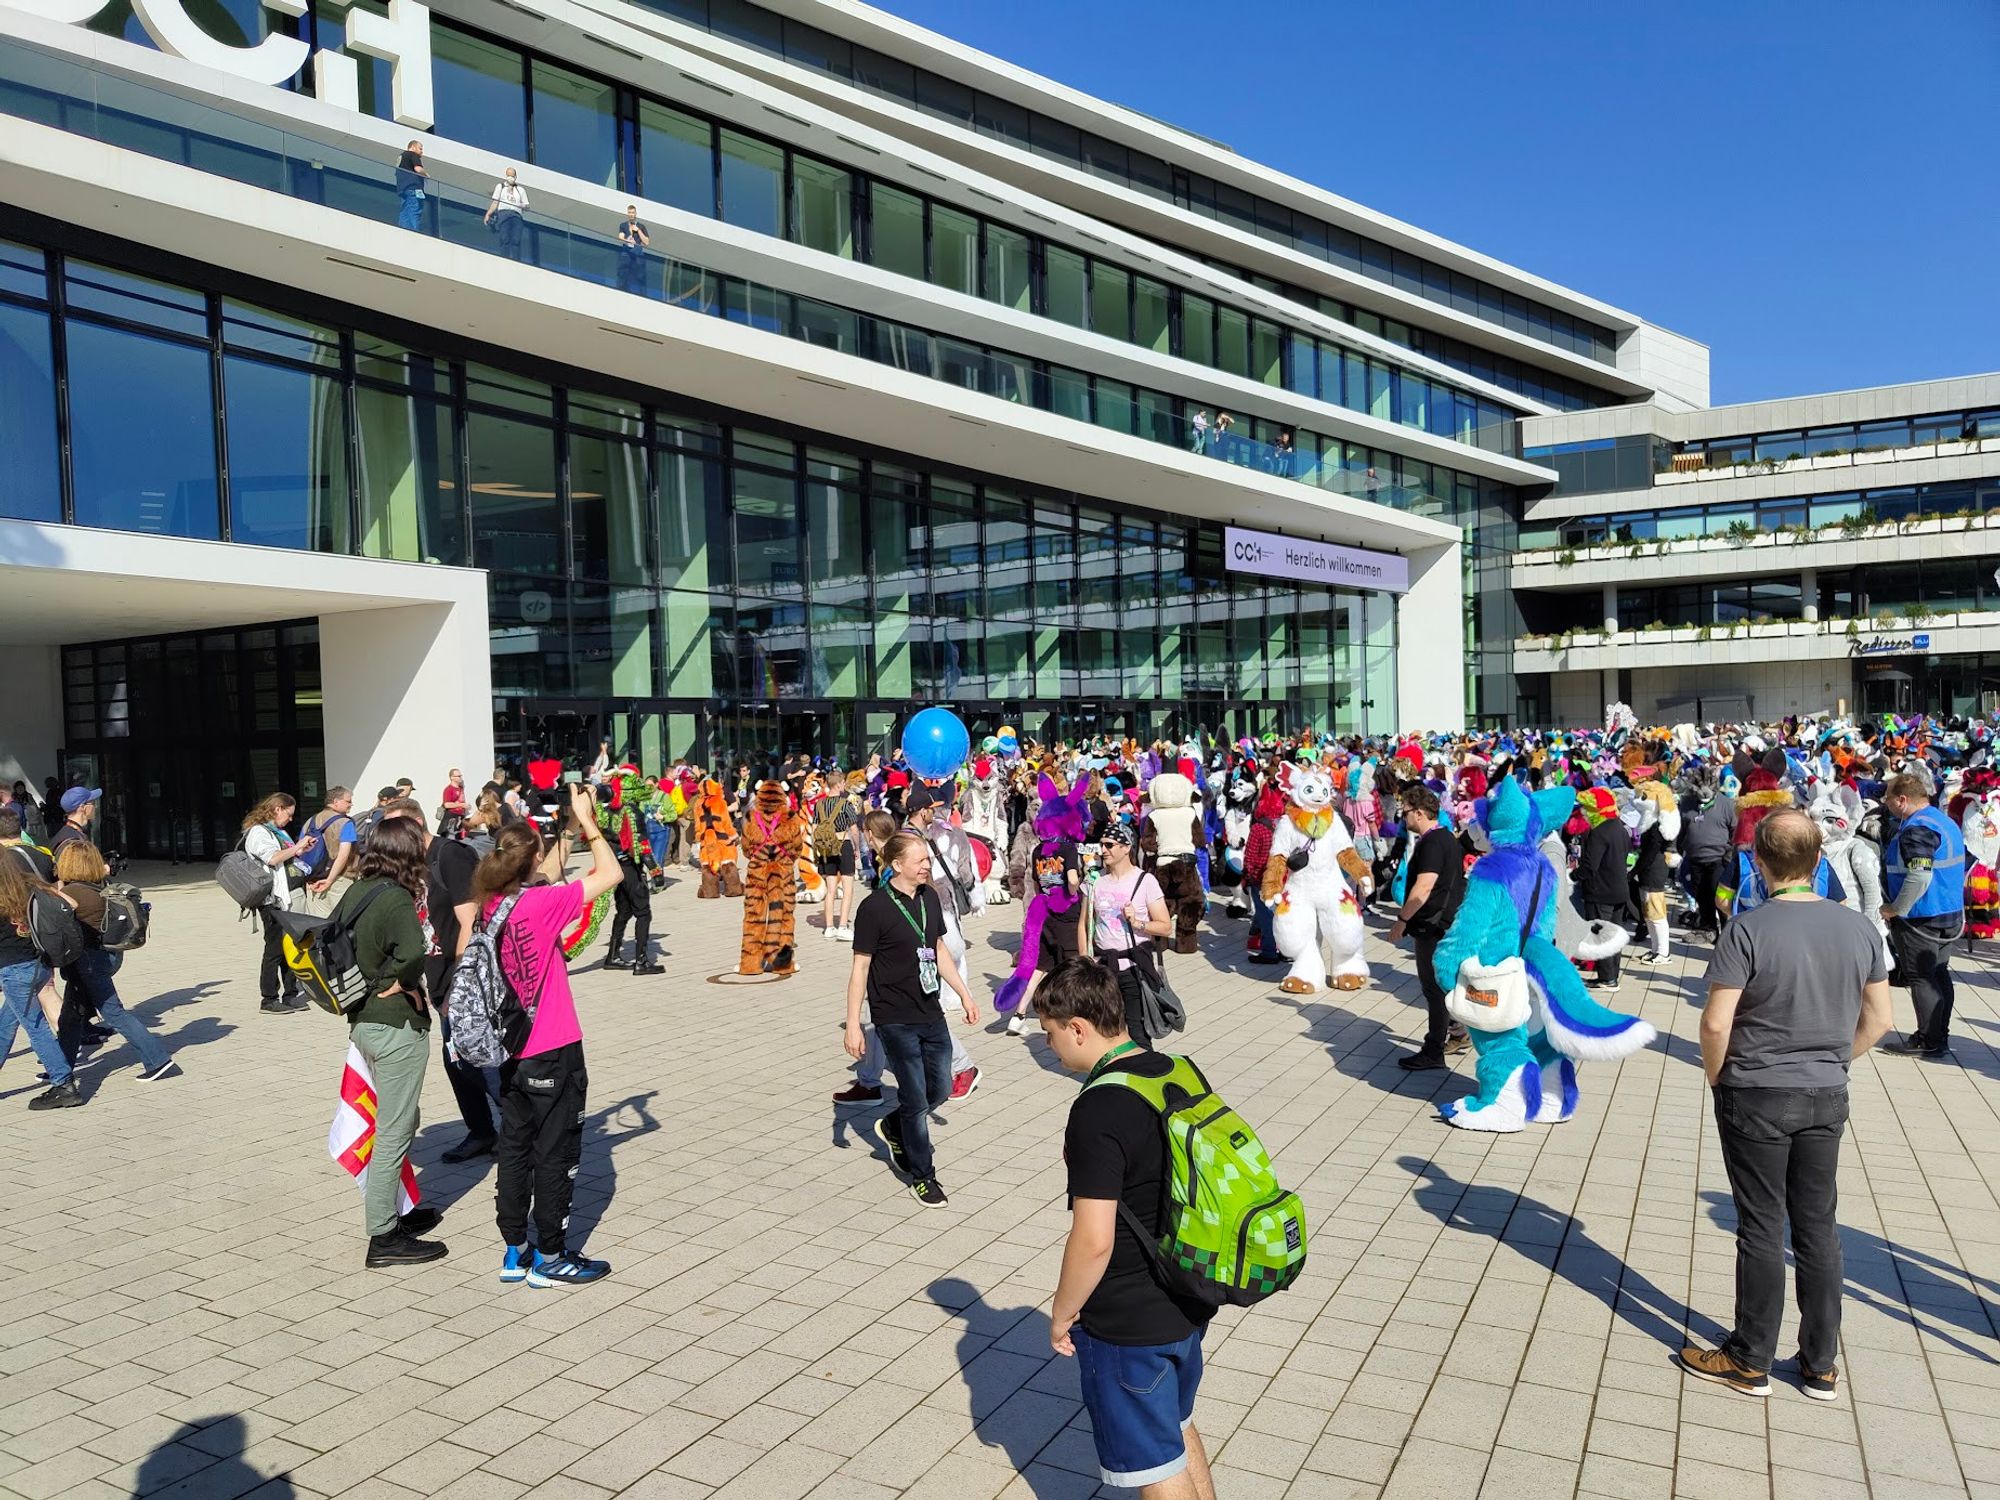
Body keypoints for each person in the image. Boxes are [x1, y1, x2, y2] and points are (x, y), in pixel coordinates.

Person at [1681, 810, 1892, 1398]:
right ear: (1819, 861)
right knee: (1819, 1227)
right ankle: (1820, 1363)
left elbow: (1716, 1024)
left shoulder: (1746, 930)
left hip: (1756, 1091)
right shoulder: (1857, 929)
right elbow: (1880, 1020)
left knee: (1762, 1225)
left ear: (1758, 862)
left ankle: (1750, 1357)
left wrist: (1718, 1076)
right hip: (1825, 1092)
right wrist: (1835, 1058)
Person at [1039, 957, 1217, 1499]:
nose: (1050, 1048)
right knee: (1177, 1429)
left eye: (1050, 1035)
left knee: (1151, 1470)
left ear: (1078, 1028)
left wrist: (1064, 1310)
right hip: (1186, 1294)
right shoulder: (1177, 1069)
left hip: (1126, 1318)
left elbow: (1094, 1239)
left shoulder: (1098, 1107)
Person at [476, 783, 622, 1286]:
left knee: (514, 1148)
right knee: (555, 1152)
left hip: (510, 1049)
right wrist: (590, 823)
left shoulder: (492, 904)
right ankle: (553, 1255)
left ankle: (515, 1250)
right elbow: (611, 874)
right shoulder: (541, 906)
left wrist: (561, 830)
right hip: (553, 1048)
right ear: (530, 862)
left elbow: (548, 872)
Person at [332, 817, 447, 1268]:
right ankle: (383, 1236)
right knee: (394, 1130)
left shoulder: (359, 889)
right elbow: (414, 951)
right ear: (407, 852)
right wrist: (405, 983)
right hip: (396, 1028)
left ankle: (399, 1212)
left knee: (400, 1118)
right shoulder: (397, 898)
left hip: (364, 1023)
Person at [843, 832, 979, 1208]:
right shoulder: (874, 909)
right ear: (896, 865)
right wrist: (854, 1023)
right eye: (919, 860)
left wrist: (965, 994)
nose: (926, 865)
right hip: (893, 1017)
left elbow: (936, 949)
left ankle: (893, 1126)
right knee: (916, 1097)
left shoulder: (929, 898)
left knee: (939, 1090)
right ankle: (924, 1175)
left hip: (930, 1011)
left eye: (926, 859)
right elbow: (860, 968)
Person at [381, 799, 494, 1164]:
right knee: (456, 1059)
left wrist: (460, 984)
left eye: (397, 830)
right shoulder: (413, 863)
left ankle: (522, 1132)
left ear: (416, 822)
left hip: (463, 976)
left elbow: (471, 920)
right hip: (438, 976)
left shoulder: (450, 855)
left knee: (475, 1058)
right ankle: (483, 1132)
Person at [54, 841, 175, 1082]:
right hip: (100, 957)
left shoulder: (72, 893)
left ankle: (158, 1059)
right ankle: (59, 1066)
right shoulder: (97, 886)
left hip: (88, 962)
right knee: (70, 1016)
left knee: (114, 1013)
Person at [1877, 772, 1965, 1057]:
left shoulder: (1917, 830)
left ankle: (1928, 1039)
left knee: (1921, 977)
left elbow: (1918, 875)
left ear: (1902, 800)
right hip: (1948, 911)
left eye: (1888, 799)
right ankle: (1939, 1033)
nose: (1885, 804)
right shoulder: (1943, 820)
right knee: (1938, 973)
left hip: (1921, 916)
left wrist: (1895, 908)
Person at [1390, 786, 1468, 1070]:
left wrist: (1402, 919)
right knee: (1446, 985)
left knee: (1434, 989)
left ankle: (1434, 1050)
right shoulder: (1448, 838)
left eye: (1406, 812)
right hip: (1445, 921)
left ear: (1420, 813)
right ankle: (1460, 1032)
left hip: (1433, 925)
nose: (1403, 817)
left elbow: (1424, 887)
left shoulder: (1433, 843)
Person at [0, 848, 82, 1109]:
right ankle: (62, 1081)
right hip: (39, 964)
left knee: (36, 1028)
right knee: (5, 1024)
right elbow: (72, 904)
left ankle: (63, 1084)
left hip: (14, 971)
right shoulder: (29, 883)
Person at [1077, 824, 1171, 1049]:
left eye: (1109, 845)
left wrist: (1138, 922)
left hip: (1133, 968)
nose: (1103, 850)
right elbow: (1083, 924)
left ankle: (1144, 1077)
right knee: (1105, 1029)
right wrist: (1084, 960)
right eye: (1101, 845)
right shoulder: (1094, 881)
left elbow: (1165, 927)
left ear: (1126, 847)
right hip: (1103, 968)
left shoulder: (1144, 881)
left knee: (1137, 1031)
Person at [241, 794, 315, 1014]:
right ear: (277, 809)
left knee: (290, 945)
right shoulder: (258, 832)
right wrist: (297, 846)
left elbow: (286, 857)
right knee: (274, 949)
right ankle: (269, 997)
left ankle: (291, 993)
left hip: (286, 896)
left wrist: (301, 850)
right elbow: (272, 858)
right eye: (289, 814)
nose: (290, 819)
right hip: (271, 899)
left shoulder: (277, 831)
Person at [1574, 787, 1631, 994]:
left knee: (1601, 936)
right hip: (1619, 889)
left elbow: (1590, 866)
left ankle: (1607, 978)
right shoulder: (1620, 828)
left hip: (1601, 892)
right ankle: (1612, 975)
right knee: (1614, 936)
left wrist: (1572, 876)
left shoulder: (1599, 832)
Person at [301, 786, 360, 917]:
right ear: (336, 801)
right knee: (344, 922)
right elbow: (343, 855)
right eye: (348, 801)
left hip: (313, 881)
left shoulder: (310, 822)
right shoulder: (345, 823)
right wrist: (330, 880)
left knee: (321, 925)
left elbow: (300, 851)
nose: (351, 804)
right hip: (340, 880)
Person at [484, 167, 529, 260]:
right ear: (506, 176)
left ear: (515, 177)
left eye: (512, 176)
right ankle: (505, 259)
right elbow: (495, 202)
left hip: (516, 216)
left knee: (516, 240)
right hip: (503, 215)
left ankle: (516, 260)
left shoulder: (520, 190)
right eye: (508, 175)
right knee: (505, 239)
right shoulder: (500, 187)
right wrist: (488, 214)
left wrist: (522, 206)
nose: (510, 178)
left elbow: (527, 205)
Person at [47, 786, 99, 860]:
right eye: (93, 803)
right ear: (82, 807)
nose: (95, 807)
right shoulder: (74, 843)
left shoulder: (64, 834)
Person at [615, 206, 651, 296]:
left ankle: (642, 294)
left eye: (632, 212)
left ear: (635, 214)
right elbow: (620, 237)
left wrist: (638, 230)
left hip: (638, 253)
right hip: (626, 252)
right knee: (623, 272)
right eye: (629, 212)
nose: (631, 214)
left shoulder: (641, 226)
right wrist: (629, 241)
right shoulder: (623, 225)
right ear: (627, 214)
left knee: (640, 275)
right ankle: (622, 290)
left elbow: (646, 242)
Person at [394, 139, 428, 231]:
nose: (422, 152)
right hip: (413, 188)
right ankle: (414, 232)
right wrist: (426, 175)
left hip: (403, 189)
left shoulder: (401, 157)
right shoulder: (413, 155)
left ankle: (403, 231)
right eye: (420, 149)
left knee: (405, 211)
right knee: (415, 210)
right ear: (413, 147)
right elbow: (418, 169)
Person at [439, 769, 468, 839]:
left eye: (461, 776)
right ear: (452, 777)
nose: (460, 778)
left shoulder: (461, 789)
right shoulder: (448, 789)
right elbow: (446, 804)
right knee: (450, 838)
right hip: (451, 817)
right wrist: (461, 805)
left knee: (461, 838)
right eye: (458, 776)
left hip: (460, 817)